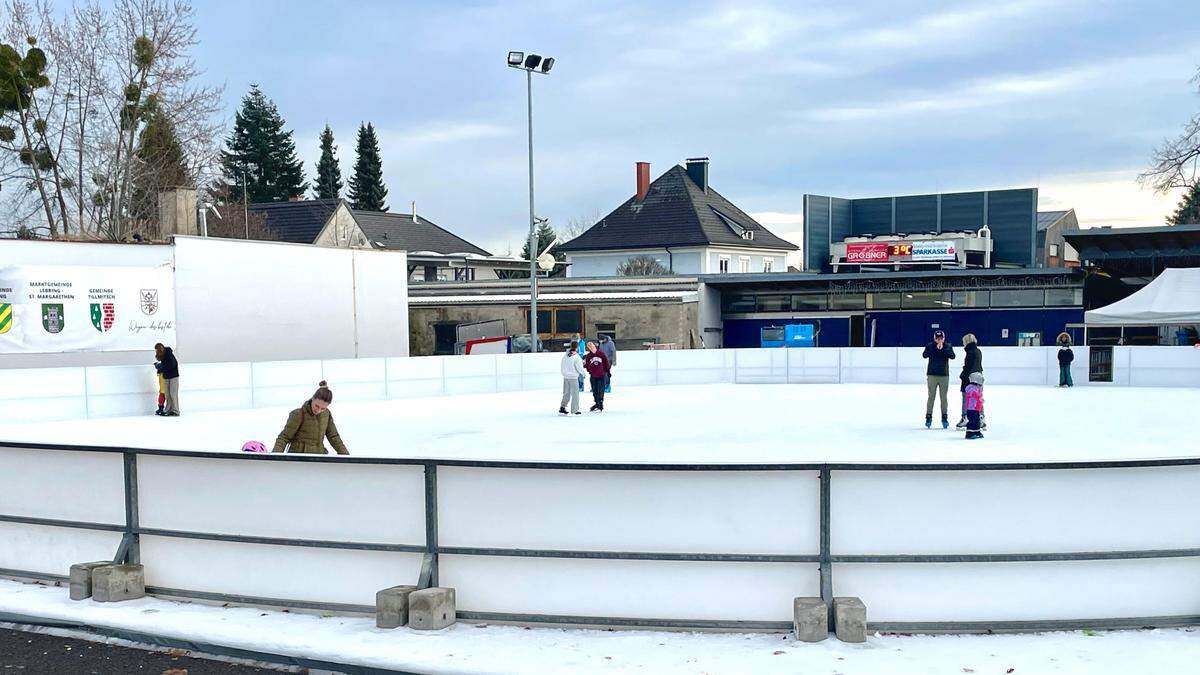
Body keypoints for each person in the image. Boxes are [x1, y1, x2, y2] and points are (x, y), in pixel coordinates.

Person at [272, 381, 350, 455]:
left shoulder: (327, 414)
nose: (319, 410)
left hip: (319, 458)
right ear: (312, 398)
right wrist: (275, 458)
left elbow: (334, 437)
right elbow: (283, 438)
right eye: (317, 406)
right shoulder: (298, 414)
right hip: (299, 460)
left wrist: (347, 457)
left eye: (323, 408)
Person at [921, 330, 956, 429]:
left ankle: (944, 417)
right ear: (934, 338)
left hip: (944, 375)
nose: (939, 340)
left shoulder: (948, 346)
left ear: (944, 338)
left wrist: (943, 349)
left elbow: (952, 356)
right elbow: (924, 355)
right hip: (932, 374)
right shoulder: (930, 345)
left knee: (943, 397)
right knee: (931, 397)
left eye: (941, 338)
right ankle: (928, 416)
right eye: (937, 338)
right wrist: (935, 348)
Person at [956, 333, 983, 430]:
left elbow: (968, 367)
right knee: (978, 398)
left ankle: (965, 418)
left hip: (970, 379)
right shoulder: (978, 351)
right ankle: (980, 418)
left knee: (967, 399)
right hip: (979, 377)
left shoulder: (970, 352)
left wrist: (962, 375)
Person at [559, 341, 587, 415]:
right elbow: (579, 367)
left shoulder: (565, 355)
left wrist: (564, 373)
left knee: (566, 393)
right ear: (577, 347)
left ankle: (562, 407)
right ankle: (574, 410)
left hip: (566, 377)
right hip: (573, 377)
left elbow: (562, 365)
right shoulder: (576, 357)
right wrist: (583, 374)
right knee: (575, 394)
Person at [583, 340, 610, 412]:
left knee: (600, 389)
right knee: (595, 390)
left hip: (601, 375)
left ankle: (600, 402)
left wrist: (607, 371)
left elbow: (606, 362)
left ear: (595, 346)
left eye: (591, 346)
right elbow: (587, 365)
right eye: (589, 347)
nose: (591, 348)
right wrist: (589, 370)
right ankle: (597, 403)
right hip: (593, 375)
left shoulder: (601, 353)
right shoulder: (588, 356)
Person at [157, 343, 181, 417]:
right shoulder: (163, 356)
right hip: (166, 377)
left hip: (173, 377)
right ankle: (168, 410)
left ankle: (175, 411)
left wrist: (161, 368)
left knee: (173, 394)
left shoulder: (169, 354)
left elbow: (172, 365)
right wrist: (160, 367)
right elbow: (165, 366)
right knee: (167, 394)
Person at [963, 372, 985, 440]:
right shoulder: (971, 387)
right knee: (972, 420)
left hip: (976, 408)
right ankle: (969, 433)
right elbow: (973, 394)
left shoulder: (978, 387)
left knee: (976, 420)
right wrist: (978, 395)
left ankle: (976, 431)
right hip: (971, 408)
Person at [152, 346, 167, 416]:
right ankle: (162, 408)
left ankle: (160, 408)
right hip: (164, 376)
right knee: (164, 393)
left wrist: (157, 365)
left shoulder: (159, 356)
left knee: (162, 392)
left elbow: (160, 366)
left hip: (161, 376)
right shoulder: (164, 356)